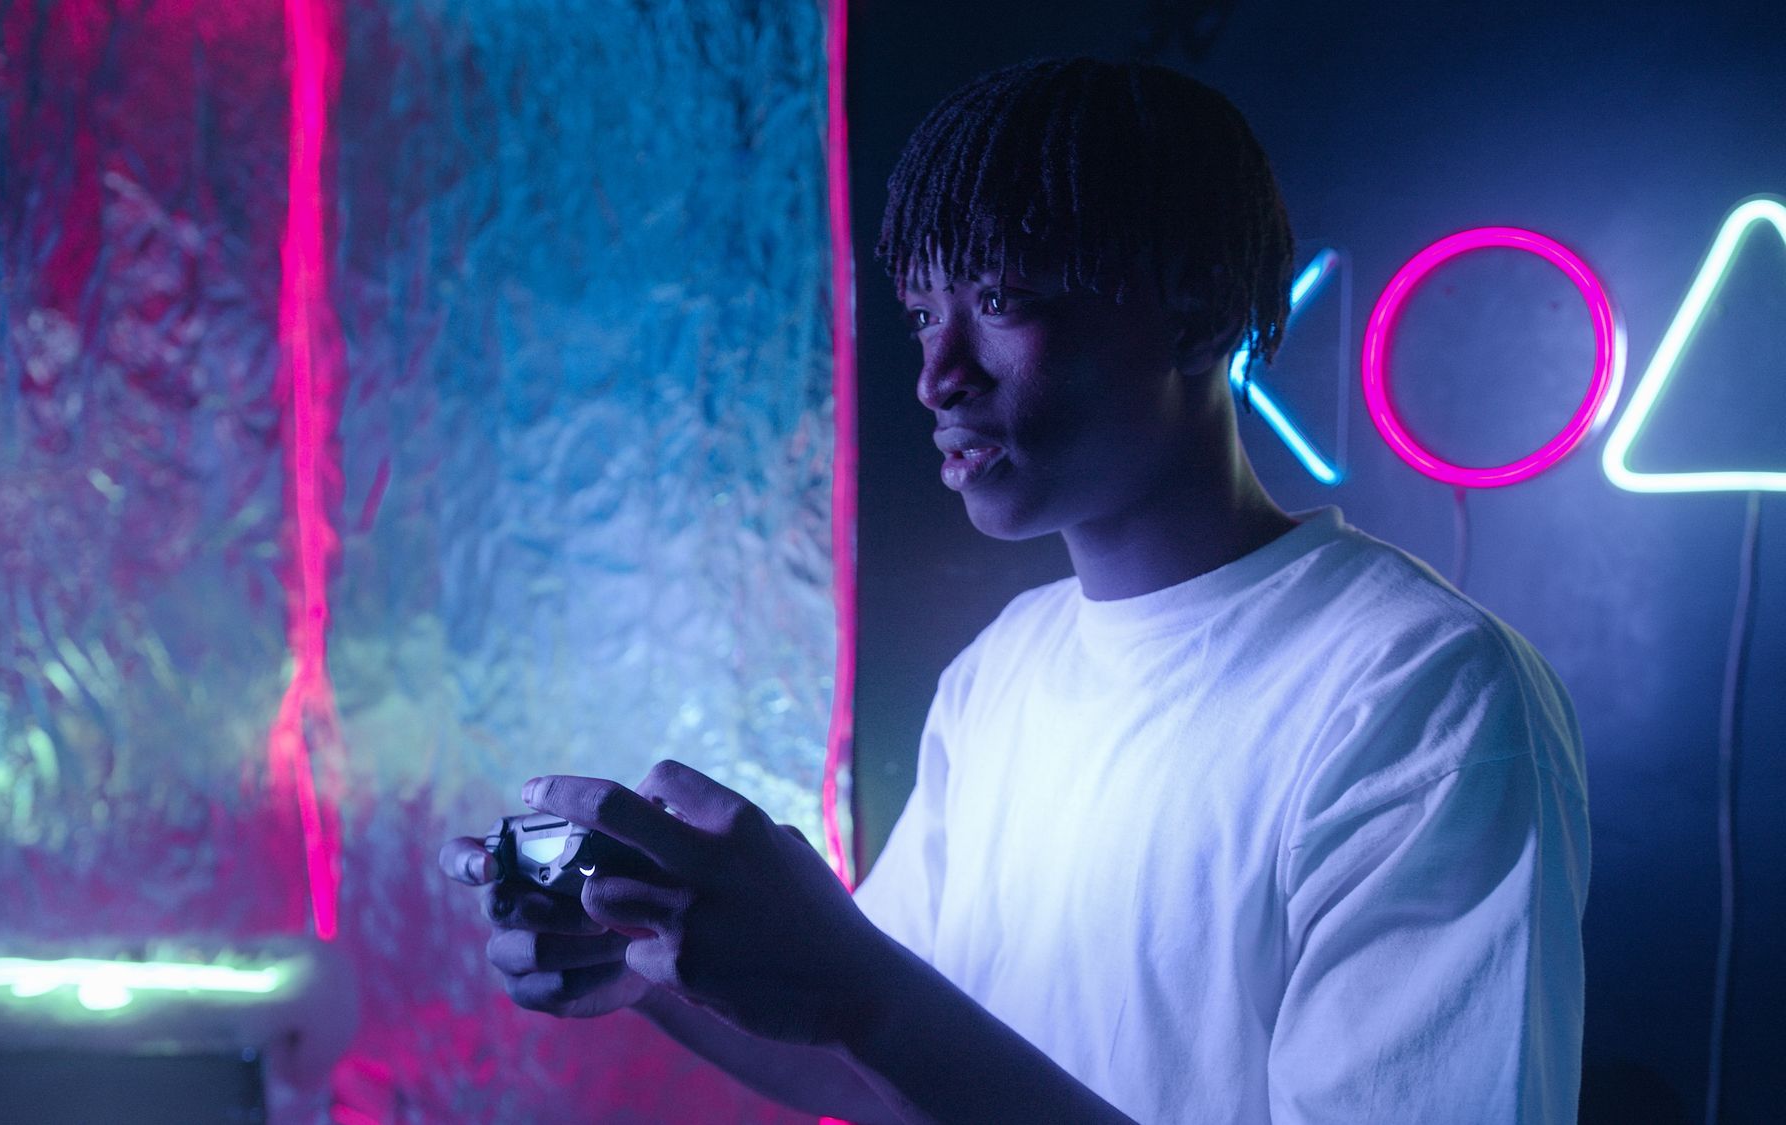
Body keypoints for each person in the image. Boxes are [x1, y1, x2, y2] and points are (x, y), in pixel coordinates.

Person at [442, 56, 1589, 1124]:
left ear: (1191, 311)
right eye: (921, 315)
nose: (938, 375)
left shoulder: (1424, 697)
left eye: (1003, 298)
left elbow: (875, 1016)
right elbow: (884, 1068)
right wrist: (638, 960)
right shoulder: (1002, 669)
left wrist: (862, 995)